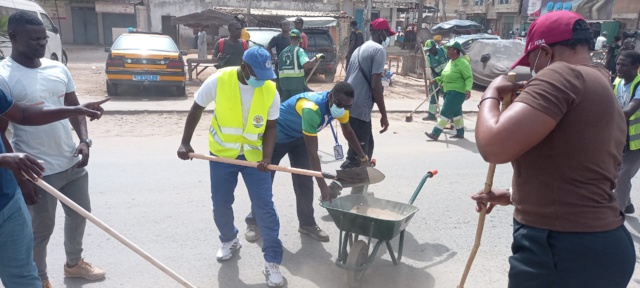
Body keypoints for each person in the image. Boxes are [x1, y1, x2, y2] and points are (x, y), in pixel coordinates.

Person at [472, 11, 635, 287]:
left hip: (562, 249)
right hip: (601, 244)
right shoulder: (601, 80)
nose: (533, 70)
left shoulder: (562, 75)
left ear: (544, 52)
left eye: (532, 61)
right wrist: (514, 195)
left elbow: (494, 147)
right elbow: (579, 166)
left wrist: (490, 94)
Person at [0, 11, 108, 288]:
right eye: (34, 39)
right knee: (39, 231)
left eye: (44, 38)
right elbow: (3, 132)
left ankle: (74, 265)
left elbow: (75, 108)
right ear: (13, 37)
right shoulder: (4, 76)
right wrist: (21, 178)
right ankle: (42, 279)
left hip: (71, 163)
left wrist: (84, 141)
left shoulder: (58, 69)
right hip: (38, 171)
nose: (41, 44)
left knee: (80, 215)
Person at [177, 47, 285, 287]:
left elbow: (271, 127)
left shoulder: (269, 89)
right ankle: (229, 240)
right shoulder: (219, 80)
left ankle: (272, 261)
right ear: (244, 67)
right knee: (221, 203)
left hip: (254, 159)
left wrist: (267, 158)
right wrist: (185, 142)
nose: (263, 81)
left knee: (265, 207)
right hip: (222, 156)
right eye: (258, 75)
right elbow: (196, 108)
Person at [244, 82, 369, 242]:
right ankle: (254, 222)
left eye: (348, 106)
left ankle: (307, 224)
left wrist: (363, 157)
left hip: (299, 138)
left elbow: (348, 131)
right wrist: (323, 187)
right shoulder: (312, 109)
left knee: (304, 181)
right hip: (278, 138)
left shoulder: (341, 108)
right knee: (264, 181)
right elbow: (313, 154)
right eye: (339, 104)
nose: (343, 109)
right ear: (330, 96)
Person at [340, 18, 394, 175]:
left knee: (366, 151)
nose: (387, 38)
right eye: (387, 34)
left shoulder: (359, 49)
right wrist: (384, 115)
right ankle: (333, 189)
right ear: (382, 33)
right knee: (357, 158)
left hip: (349, 107)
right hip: (359, 109)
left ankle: (359, 192)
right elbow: (375, 86)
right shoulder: (378, 50)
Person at [425, 41, 473, 140]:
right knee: (457, 114)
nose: (447, 50)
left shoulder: (463, 63)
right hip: (448, 91)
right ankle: (460, 132)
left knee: (445, 113)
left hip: (457, 92)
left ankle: (435, 133)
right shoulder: (450, 62)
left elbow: (469, 78)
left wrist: (468, 89)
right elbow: (444, 76)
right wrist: (436, 80)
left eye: (449, 49)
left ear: (455, 51)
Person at [613, 50, 640, 214]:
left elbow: (629, 111)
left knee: (622, 176)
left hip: (636, 143)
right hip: (621, 137)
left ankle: (617, 216)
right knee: (616, 173)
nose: (619, 68)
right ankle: (628, 203)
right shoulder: (617, 81)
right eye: (617, 64)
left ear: (636, 67)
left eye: (623, 65)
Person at [277, 29, 324, 101]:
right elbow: (306, 64)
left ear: (290, 39)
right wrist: (316, 58)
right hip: (296, 85)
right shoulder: (299, 51)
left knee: (286, 105)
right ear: (299, 40)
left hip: (284, 85)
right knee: (297, 105)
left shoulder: (282, 52)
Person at [422, 39, 449, 121]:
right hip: (436, 76)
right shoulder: (428, 57)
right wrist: (438, 79)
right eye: (428, 49)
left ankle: (448, 115)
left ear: (434, 47)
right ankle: (431, 114)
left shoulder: (443, 50)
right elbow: (431, 69)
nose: (429, 51)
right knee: (433, 94)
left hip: (447, 77)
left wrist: (444, 78)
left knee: (447, 96)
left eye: (430, 49)